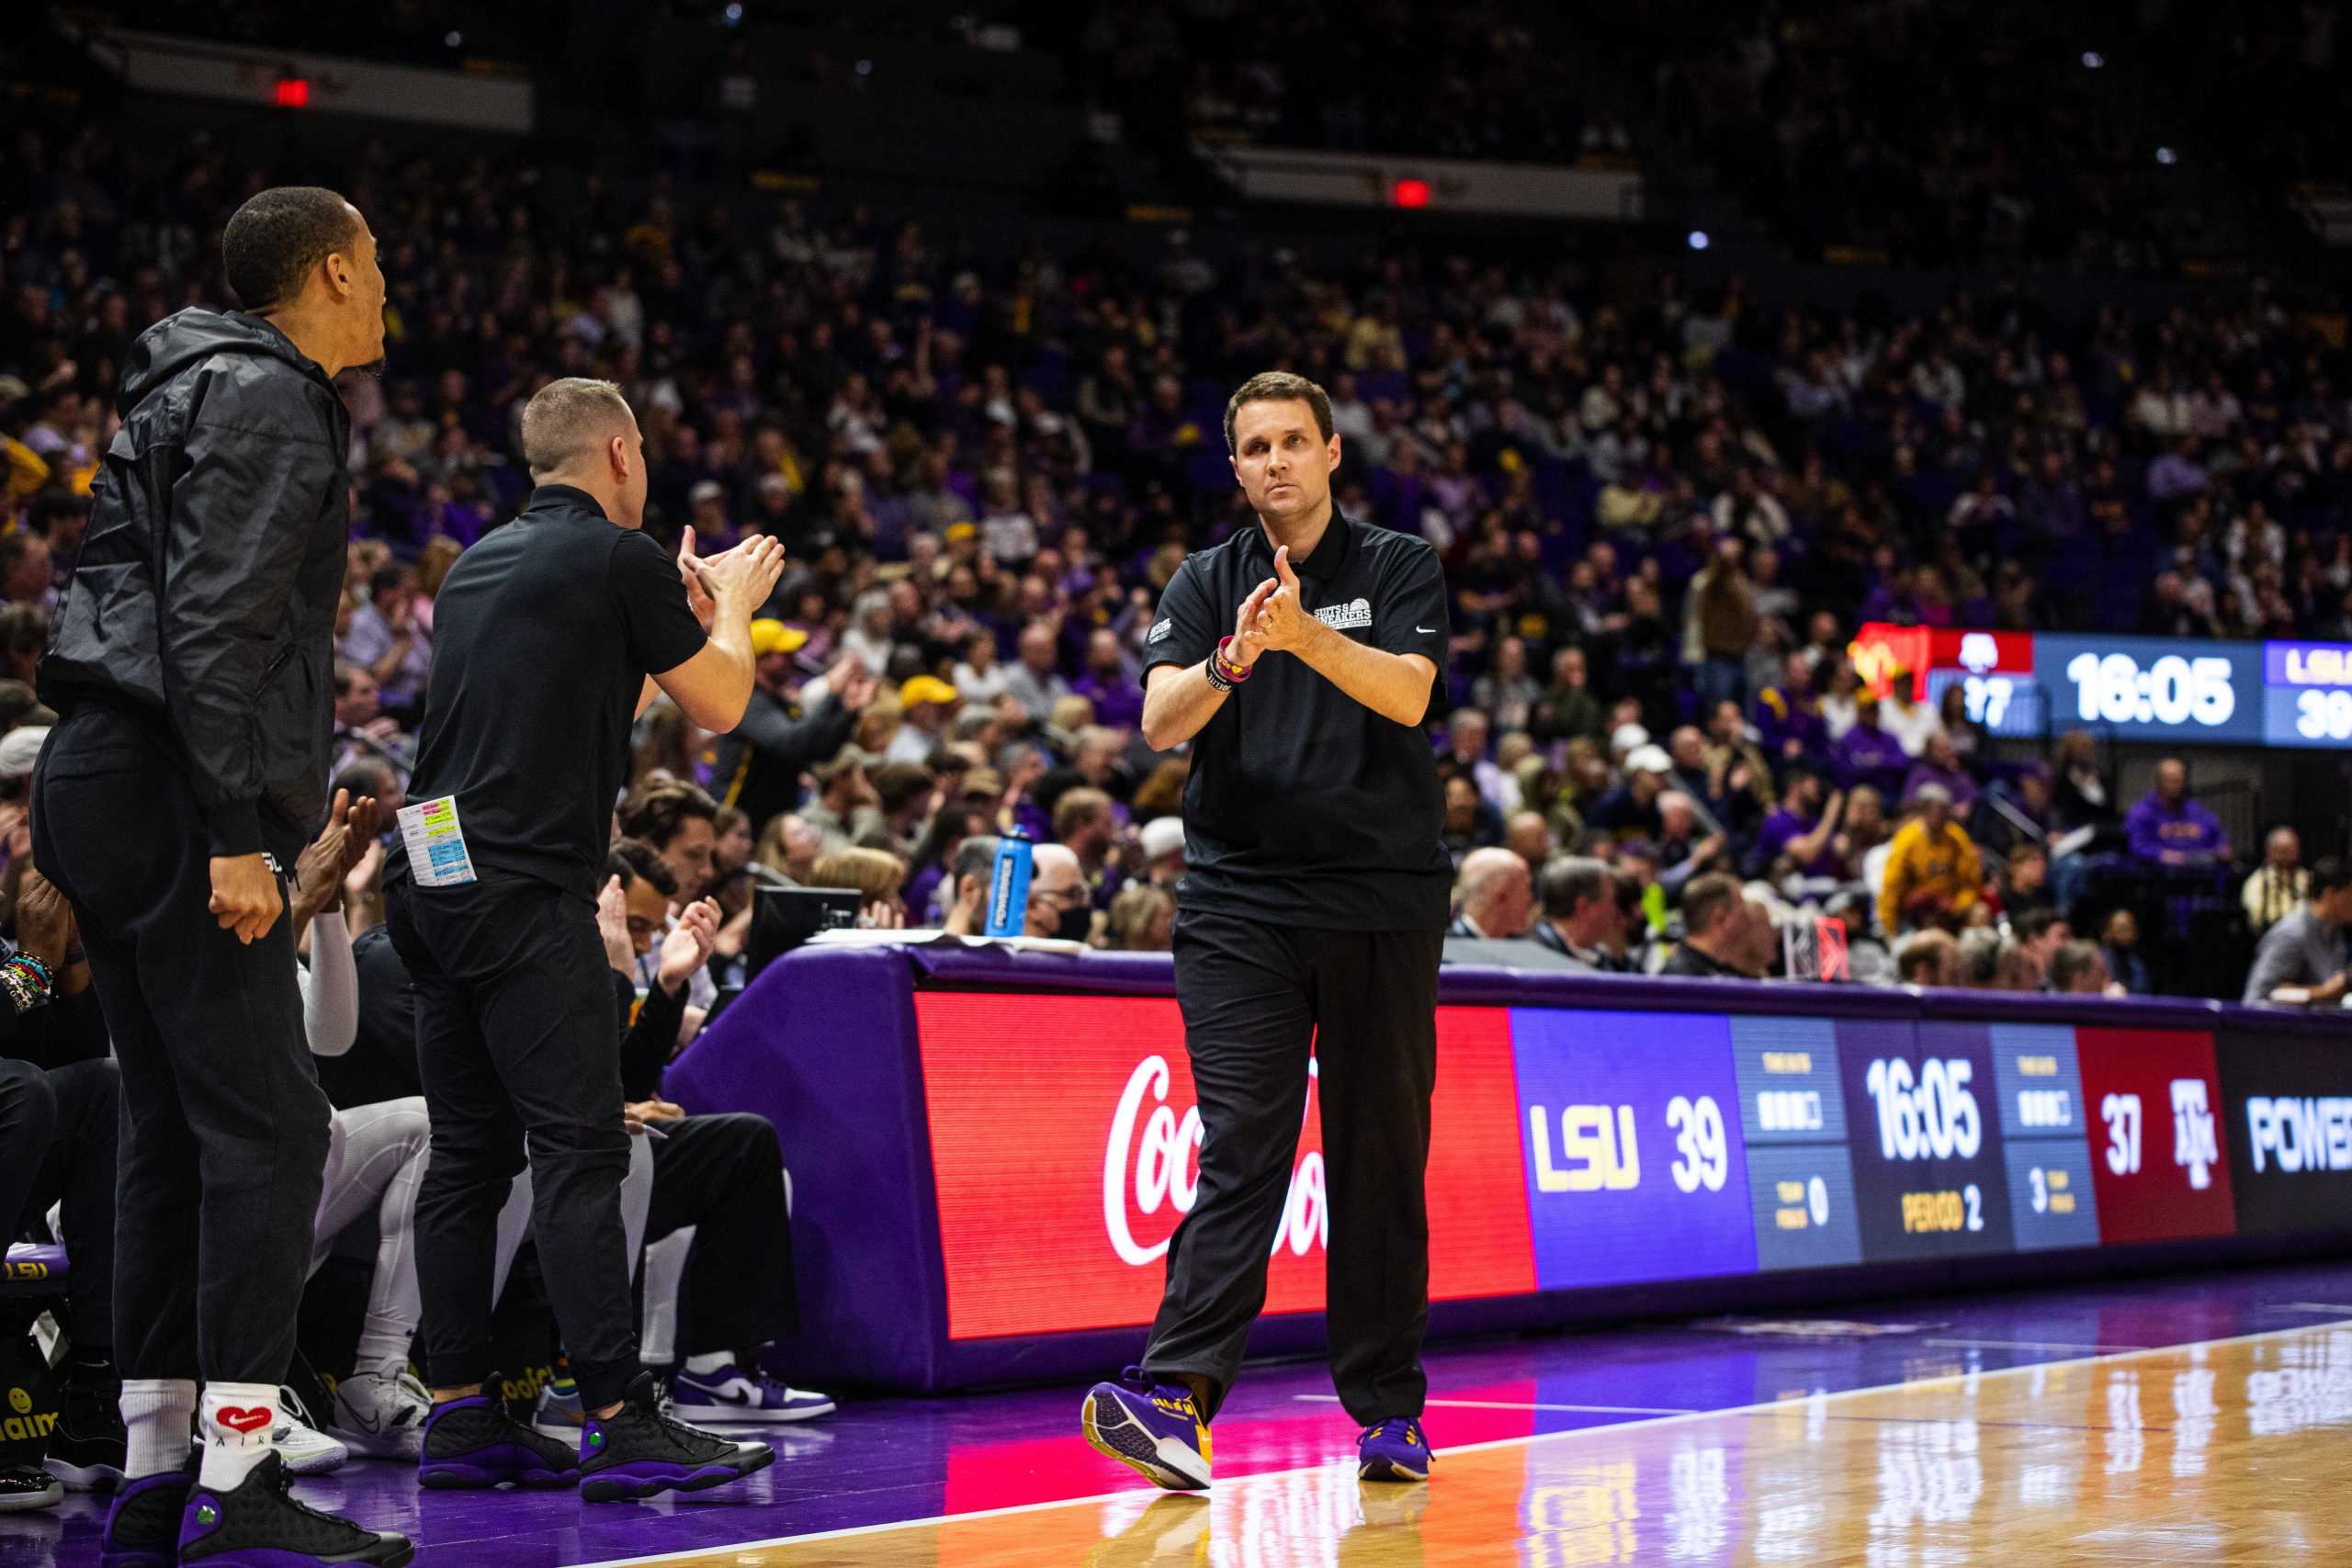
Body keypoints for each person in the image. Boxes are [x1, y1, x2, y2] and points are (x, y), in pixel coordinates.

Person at [29, 186, 413, 1565]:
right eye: (373, 263)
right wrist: (234, 829)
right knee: (276, 1129)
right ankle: (239, 1467)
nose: (386, 285)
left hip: (93, 773)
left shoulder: (184, 379)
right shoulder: (269, 396)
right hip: (166, 784)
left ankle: (151, 1460)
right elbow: (216, 618)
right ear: (325, 270)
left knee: (175, 1129)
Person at [383, 377, 783, 1500]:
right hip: (522, 882)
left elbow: (596, 703)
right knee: (578, 1151)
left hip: (432, 876)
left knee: (467, 1156)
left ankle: (459, 1415)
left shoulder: (477, 563)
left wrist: (680, 619)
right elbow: (719, 705)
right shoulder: (619, 557)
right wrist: (733, 607)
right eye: (644, 450)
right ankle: (617, 1415)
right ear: (619, 452)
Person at [1081, 371, 1450, 1492]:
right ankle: (1176, 1398)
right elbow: (1156, 720)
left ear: (1333, 453)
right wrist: (1237, 654)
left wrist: (1301, 637)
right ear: (1235, 466)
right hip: (1241, 904)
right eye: (1255, 447)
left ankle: (1388, 1412)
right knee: (1243, 1141)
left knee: (1379, 1159)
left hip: (1381, 899)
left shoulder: (1397, 565)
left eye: (1295, 441)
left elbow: (1409, 695)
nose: (1276, 461)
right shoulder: (1204, 582)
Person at [709, 631, 873, 834]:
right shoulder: (747, 702)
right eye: (784, 654)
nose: (793, 658)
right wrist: (831, 693)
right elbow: (792, 744)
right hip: (734, 822)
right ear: (759, 659)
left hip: (769, 818)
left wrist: (849, 712)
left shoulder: (781, 703)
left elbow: (818, 751)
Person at [2242, 858, 2352, 1005]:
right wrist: (2324, 992)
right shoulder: (2292, 933)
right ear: (2330, 895)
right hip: (2284, 1027)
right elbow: (2258, 998)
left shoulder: (2335, 933)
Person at [1877, 784, 1983, 935]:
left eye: (1947, 810)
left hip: (1951, 909)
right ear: (1924, 811)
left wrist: (1957, 906)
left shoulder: (1957, 838)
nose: (1945, 816)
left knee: (1980, 911)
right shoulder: (1906, 841)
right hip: (1917, 913)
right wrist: (1889, 927)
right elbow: (1892, 886)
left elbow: (1971, 882)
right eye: (1940, 810)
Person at [2125, 758, 2231, 866]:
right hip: (2160, 875)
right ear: (2158, 782)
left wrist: (2222, 849)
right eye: (2170, 780)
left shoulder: (2197, 810)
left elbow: (2219, 839)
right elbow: (2137, 847)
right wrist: (2161, 855)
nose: (2176, 786)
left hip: (2200, 871)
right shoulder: (2142, 812)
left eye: (2179, 780)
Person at [1530, 857, 1626, 972]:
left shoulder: (1606, 959)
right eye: (1610, 901)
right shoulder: (1534, 960)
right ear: (1583, 907)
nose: (1615, 911)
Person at [1659, 873, 1760, 978]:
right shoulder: (1681, 978)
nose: (1749, 922)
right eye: (1743, 914)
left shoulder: (1722, 969)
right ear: (1720, 918)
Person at [1448, 846, 1533, 939]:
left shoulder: (1522, 947)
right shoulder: (1443, 947)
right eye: (1526, 889)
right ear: (1501, 894)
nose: (1530, 899)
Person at [2243, 827, 2307, 933]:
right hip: (2277, 938)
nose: (2293, 858)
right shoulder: (2257, 882)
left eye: (2295, 851)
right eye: (2286, 851)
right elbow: (2259, 920)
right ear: (2271, 852)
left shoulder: (2304, 876)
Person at [2100, 908, 2151, 996]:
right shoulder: (2099, 961)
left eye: (2130, 928)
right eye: (2122, 928)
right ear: (2107, 932)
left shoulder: (2137, 965)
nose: (2126, 933)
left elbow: (2143, 993)